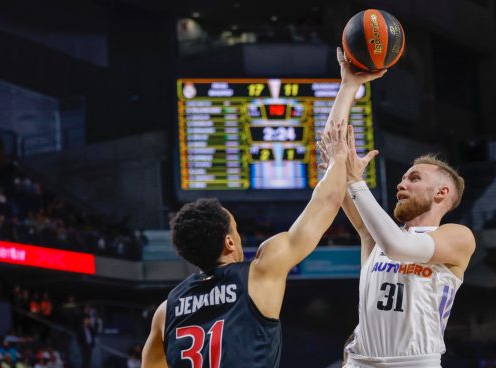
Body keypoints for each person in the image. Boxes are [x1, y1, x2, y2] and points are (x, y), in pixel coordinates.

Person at [141, 123, 349, 368]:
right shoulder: (258, 276)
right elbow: (328, 201)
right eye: (236, 230)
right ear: (229, 242)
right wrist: (339, 158)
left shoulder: (166, 311)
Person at [319, 48, 476, 367]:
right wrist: (349, 86)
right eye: (402, 179)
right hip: (359, 362)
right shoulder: (372, 235)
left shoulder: (457, 238)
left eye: (414, 178)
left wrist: (356, 182)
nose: (401, 185)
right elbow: (331, 157)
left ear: (441, 193)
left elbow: (397, 245)